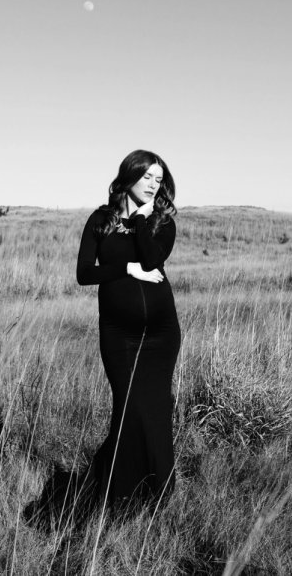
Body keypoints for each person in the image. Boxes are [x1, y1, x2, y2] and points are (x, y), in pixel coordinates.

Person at [72, 149, 181, 512]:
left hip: (161, 334)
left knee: (154, 412)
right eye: (147, 176)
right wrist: (126, 270)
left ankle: (158, 495)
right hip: (119, 333)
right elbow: (84, 273)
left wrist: (141, 219)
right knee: (129, 408)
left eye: (158, 178)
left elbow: (153, 258)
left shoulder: (162, 221)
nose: (153, 184)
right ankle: (113, 490)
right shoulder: (100, 220)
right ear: (129, 175)